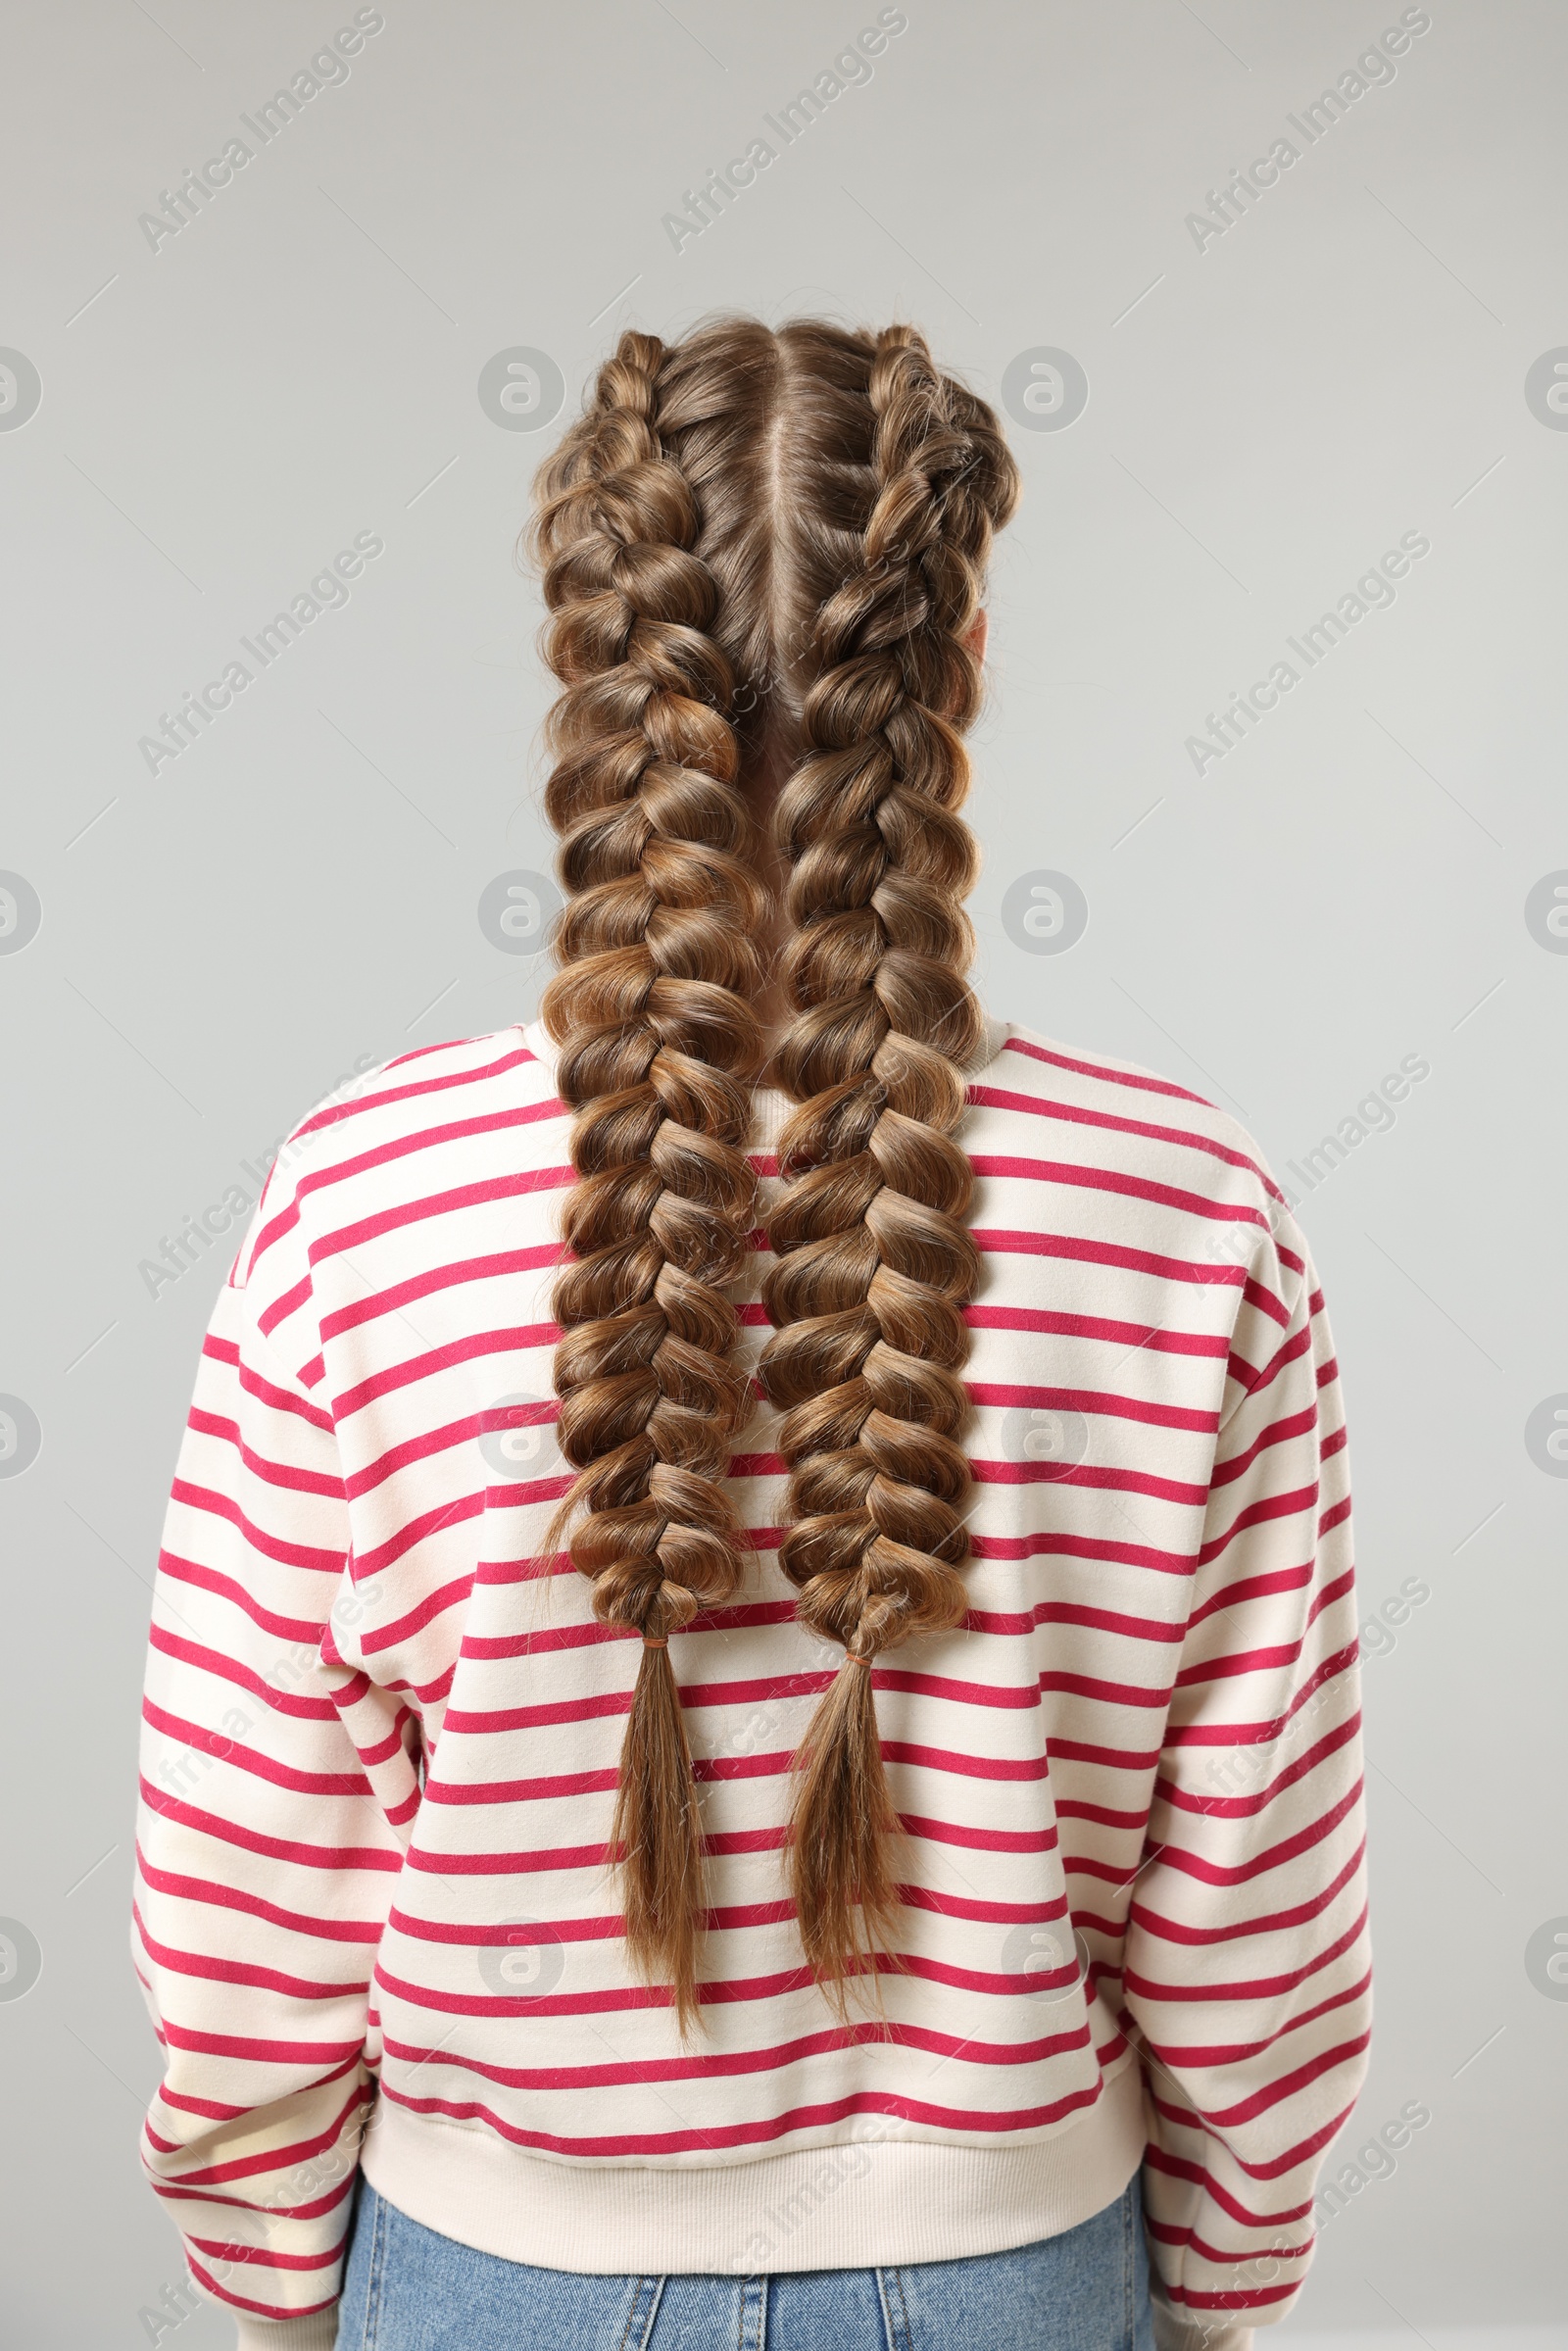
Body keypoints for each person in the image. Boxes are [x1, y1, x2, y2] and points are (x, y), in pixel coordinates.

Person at [130, 318, 1370, 2351]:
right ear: (950, 679)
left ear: (597, 690)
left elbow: (246, 1891)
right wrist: (1214, 2299)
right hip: (1016, 2280)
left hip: (487, 2282)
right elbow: (1248, 1895)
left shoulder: (353, 1204)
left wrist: (279, 2295)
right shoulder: (1189, 1213)